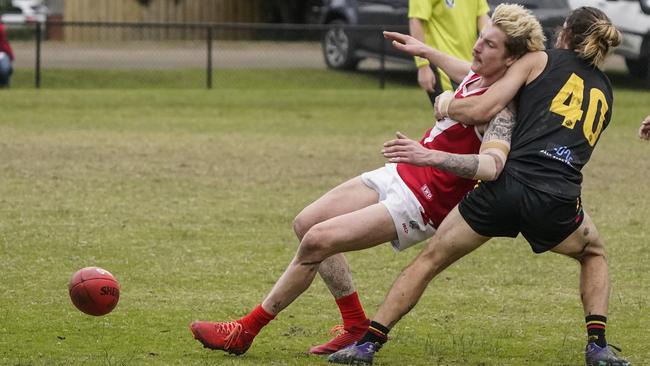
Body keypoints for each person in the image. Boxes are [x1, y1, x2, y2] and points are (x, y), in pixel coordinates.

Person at [188, 3, 545, 357]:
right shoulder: (481, 73)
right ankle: (355, 325)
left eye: (490, 45)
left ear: (511, 60)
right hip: (399, 174)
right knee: (306, 222)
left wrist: (428, 155)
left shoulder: (502, 110)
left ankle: (244, 330)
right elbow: (464, 70)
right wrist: (425, 51)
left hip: (420, 202)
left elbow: (490, 167)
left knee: (316, 241)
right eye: (481, 37)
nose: (477, 47)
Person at [328, 6, 630, 366]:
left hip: (505, 187)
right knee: (592, 252)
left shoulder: (539, 59)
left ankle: (367, 345)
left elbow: (483, 104)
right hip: (557, 198)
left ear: (566, 34)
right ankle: (597, 346)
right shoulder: (606, 92)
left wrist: (447, 103)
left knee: (431, 259)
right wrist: (428, 53)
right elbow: (485, 78)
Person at [409, 0, 489, 106]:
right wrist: (422, 66)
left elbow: (483, 19)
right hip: (442, 70)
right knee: (452, 117)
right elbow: (416, 21)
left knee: (471, 118)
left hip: (469, 69)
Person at [0, 21, 14, 88]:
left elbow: (5, 44)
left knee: (5, 69)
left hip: (2, 53)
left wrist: (10, 55)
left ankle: (4, 84)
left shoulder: (1, 28)